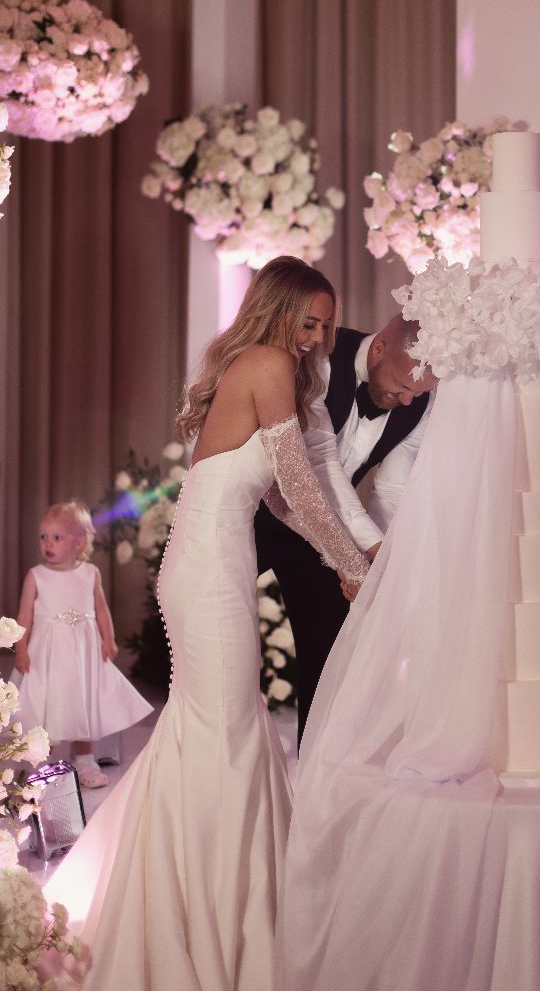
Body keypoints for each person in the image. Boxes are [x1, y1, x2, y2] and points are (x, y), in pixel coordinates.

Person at [44, 256, 371, 991]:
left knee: (218, 728)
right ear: (278, 312)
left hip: (214, 564)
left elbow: (285, 501)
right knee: (222, 731)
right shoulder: (265, 362)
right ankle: (205, 925)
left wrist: (351, 558)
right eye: (309, 322)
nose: (319, 339)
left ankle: (212, 911)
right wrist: (352, 564)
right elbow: (296, 482)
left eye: (326, 325)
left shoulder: (267, 365)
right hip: (208, 573)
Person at [255, 312, 436, 744]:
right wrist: (369, 552)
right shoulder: (320, 358)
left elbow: (390, 491)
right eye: (404, 385)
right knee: (221, 628)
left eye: (419, 392)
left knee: (329, 650)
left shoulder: (421, 403)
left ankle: (314, 773)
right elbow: (321, 467)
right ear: (378, 350)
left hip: (326, 534)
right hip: (262, 509)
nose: (409, 399)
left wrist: (387, 559)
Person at [11, 500, 153, 789]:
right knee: (47, 705)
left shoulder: (90, 574)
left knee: (81, 703)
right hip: (48, 655)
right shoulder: (37, 576)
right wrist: (21, 649)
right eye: (43, 536)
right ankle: (45, 766)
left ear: (78, 542)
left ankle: (86, 761)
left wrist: (109, 639)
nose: (47, 544)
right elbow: (23, 616)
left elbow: (101, 609)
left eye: (56, 537)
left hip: (83, 653)